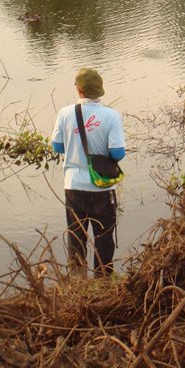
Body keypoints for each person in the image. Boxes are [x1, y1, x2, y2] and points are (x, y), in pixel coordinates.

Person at [51, 67, 126, 276]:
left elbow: (57, 147)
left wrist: (75, 148)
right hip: (102, 187)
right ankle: (103, 279)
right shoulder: (111, 116)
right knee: (104, 237)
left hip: (73, 186)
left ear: (79, 89)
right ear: (100, 90)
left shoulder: (65, 113)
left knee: (76, 237)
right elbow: (118, 153)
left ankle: (78, 282)